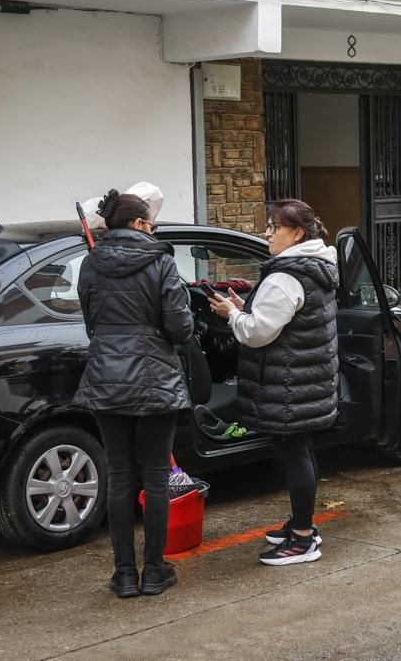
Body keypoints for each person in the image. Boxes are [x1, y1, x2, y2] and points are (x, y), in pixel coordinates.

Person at [74, 189, 194, 598]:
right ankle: (155, 570)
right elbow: (180, 327)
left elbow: (91, 322)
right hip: (155, 376)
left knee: (120, 476)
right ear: (141, 224)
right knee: (156, 478)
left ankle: (124, 573)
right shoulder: (161, 261)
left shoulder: (91, 263)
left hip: (106, 376)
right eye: (152, 223)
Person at [208, 199, 339, 566]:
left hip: (289, 383)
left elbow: (257, 333)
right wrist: (245, 308)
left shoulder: (286, 276)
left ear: (296, 233)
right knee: (301, 451)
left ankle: (302, 540)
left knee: (295, 455)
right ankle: (303, 525)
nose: (267, 234)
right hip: (305, 380)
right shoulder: (314, 267)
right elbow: (283, 320)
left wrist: (232, 314)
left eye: (274, 227)